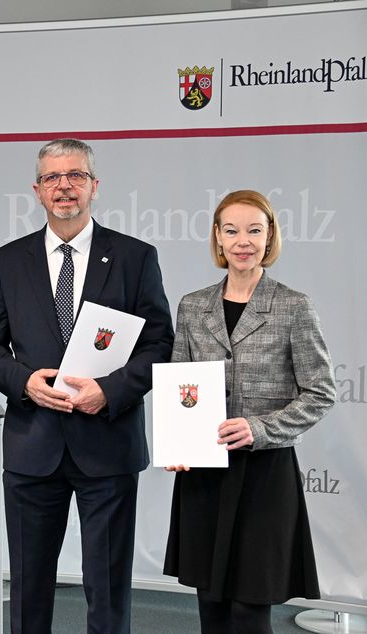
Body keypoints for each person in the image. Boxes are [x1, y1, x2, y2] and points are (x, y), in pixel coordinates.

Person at [0, 138, 174, 633]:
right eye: (52, 178)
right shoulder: (8, 260)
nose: (64, 186)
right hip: (33, 445)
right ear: (37, 190)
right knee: (29, 588)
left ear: (94, 186)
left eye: (76, 176)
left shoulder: (134, 257)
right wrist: (24, 383)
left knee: (108, 589)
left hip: (107, 443)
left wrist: (111, 390)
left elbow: (159, 343)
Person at [163, 190, 335, 633]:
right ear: (218, 238)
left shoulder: (294, 305)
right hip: (204, 474)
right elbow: (179, 383)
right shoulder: (192, 305)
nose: (243, 241)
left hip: (264, 474)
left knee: (249, 610)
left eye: (254, 230)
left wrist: (259, 428)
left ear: (269, 237)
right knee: (211, 606)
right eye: (232, 230)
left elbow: (320, 393)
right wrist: (176, 442)